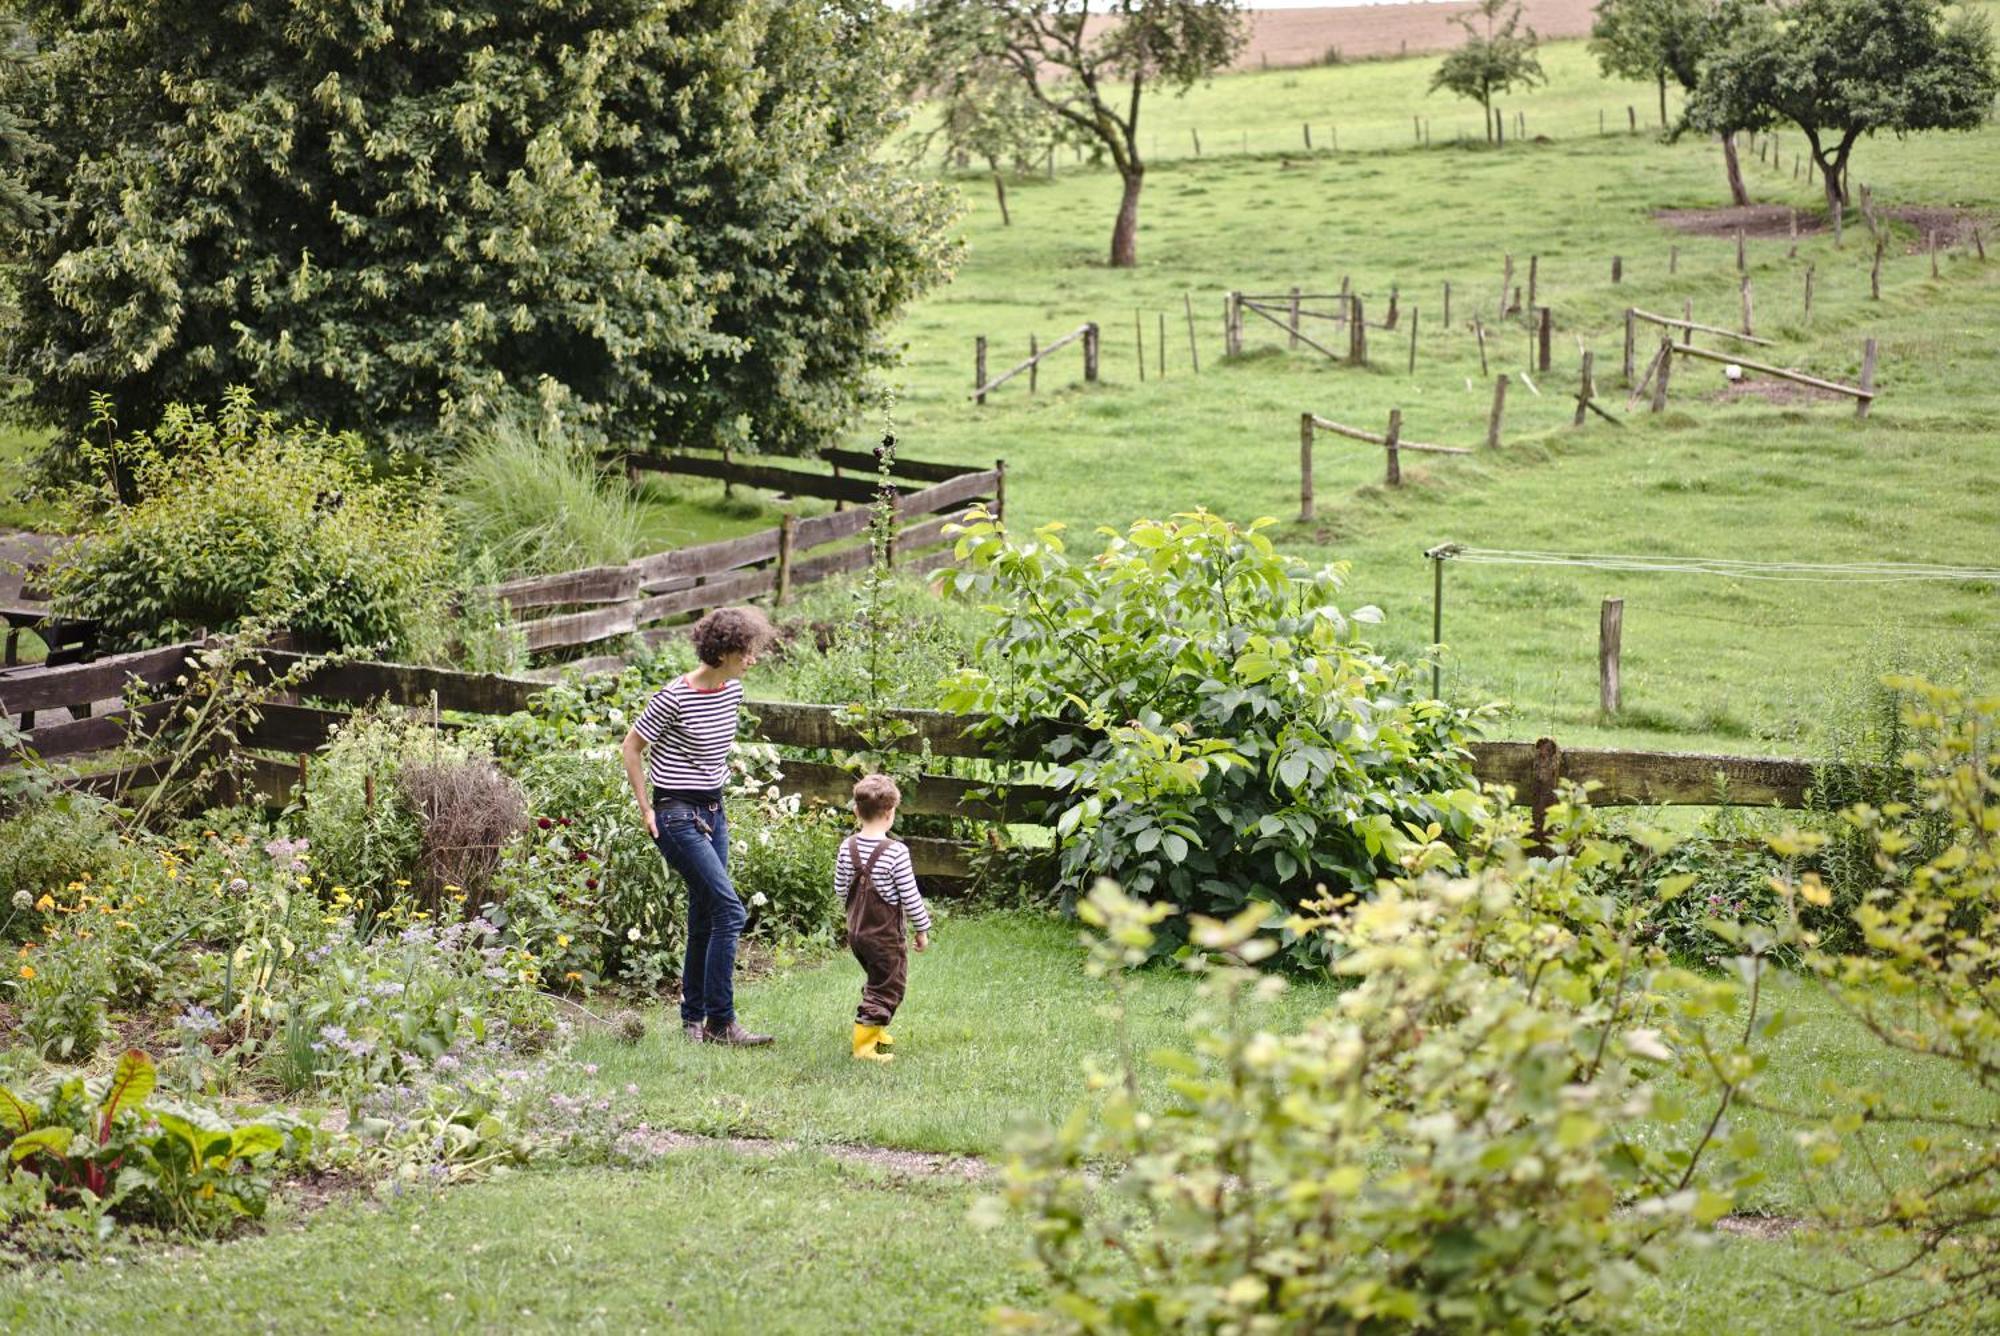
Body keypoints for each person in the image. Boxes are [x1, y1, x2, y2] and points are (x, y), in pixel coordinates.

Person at [621, 606, 776, 1047]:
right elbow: (631, 748)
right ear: (723, 650)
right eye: (746, 651)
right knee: (730, 911)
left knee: (705, 916)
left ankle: (693, 1020)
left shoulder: (731, 693)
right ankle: (721, 1023)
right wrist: (645, 808)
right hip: (675, 815)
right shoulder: (673, 696)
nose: (752, 659)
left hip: (713, 812)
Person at [835, 774, 931, 1063]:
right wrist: (922, 929)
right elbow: (910, 896)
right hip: (884, 936)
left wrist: (855, 914)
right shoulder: (896, 852)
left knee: (877, 978)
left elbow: (840, 888)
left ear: (856, 812)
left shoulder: (847, 846)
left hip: (857, 932)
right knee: (889, 984)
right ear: (890, 814)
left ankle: (874, 1031)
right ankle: (863, 1046)